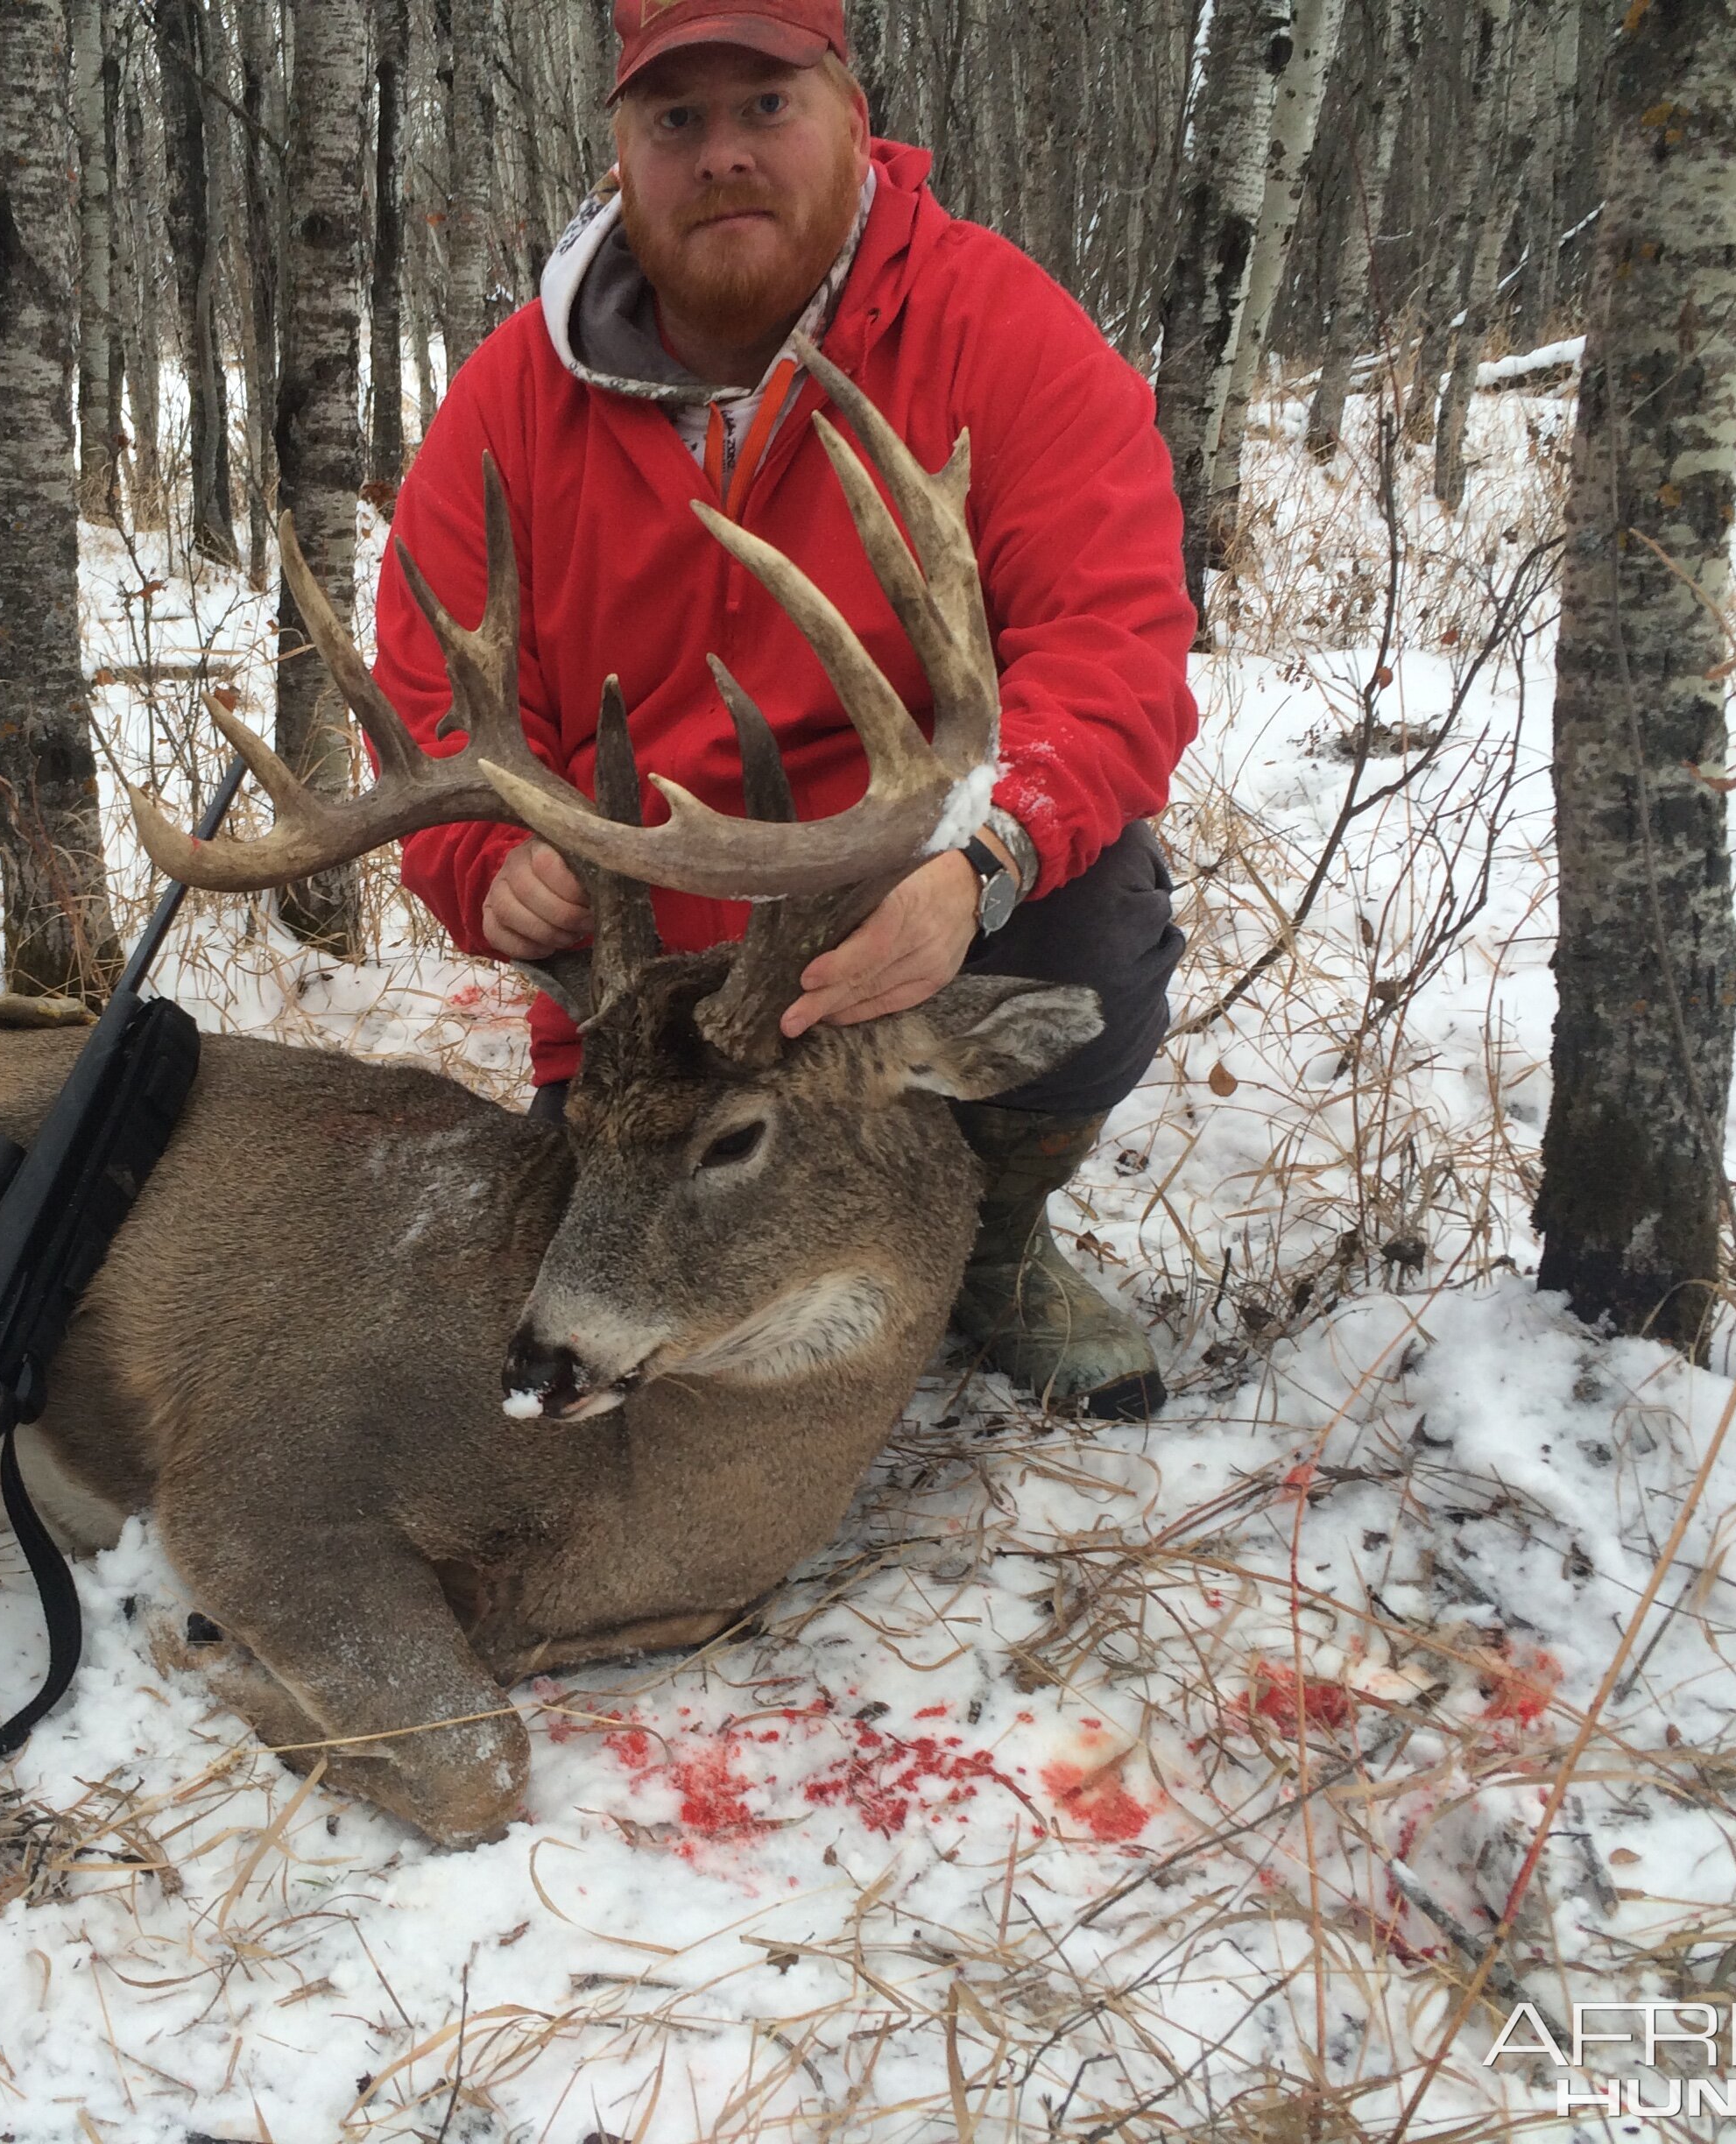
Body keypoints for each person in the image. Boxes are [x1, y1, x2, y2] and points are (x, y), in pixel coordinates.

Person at [371, 0, 1196, 1418]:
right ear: (621, 152)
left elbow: (1116, 646)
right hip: (641, 985)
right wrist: (488, 863)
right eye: (676, 120)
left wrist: (979, 864)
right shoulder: (515, 397)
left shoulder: (996, 331)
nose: (722, 157)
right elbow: (436, 700)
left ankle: (993, 1245)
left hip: (883, 935)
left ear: (852, 116)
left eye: (766, 105)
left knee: (1099, 911)